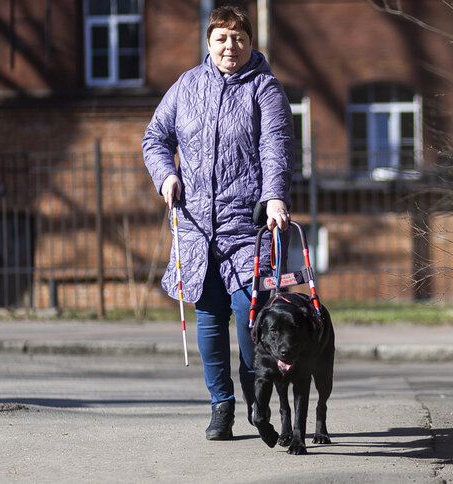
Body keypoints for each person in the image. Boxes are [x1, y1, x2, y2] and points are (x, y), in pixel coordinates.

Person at [142, 5, 294, 441]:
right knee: (209, 318)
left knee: (251, 319)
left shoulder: (265, 88)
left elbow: (276, 147)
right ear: (209, 43)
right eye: (222, 39)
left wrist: (276, 197)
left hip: (248, 226)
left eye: (239, 38)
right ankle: (220, 407)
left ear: (251, 41)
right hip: (195, 228)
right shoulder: (186, 86)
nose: (231, 46)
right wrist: (166, 175)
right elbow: (155, 137)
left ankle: (257, 399)